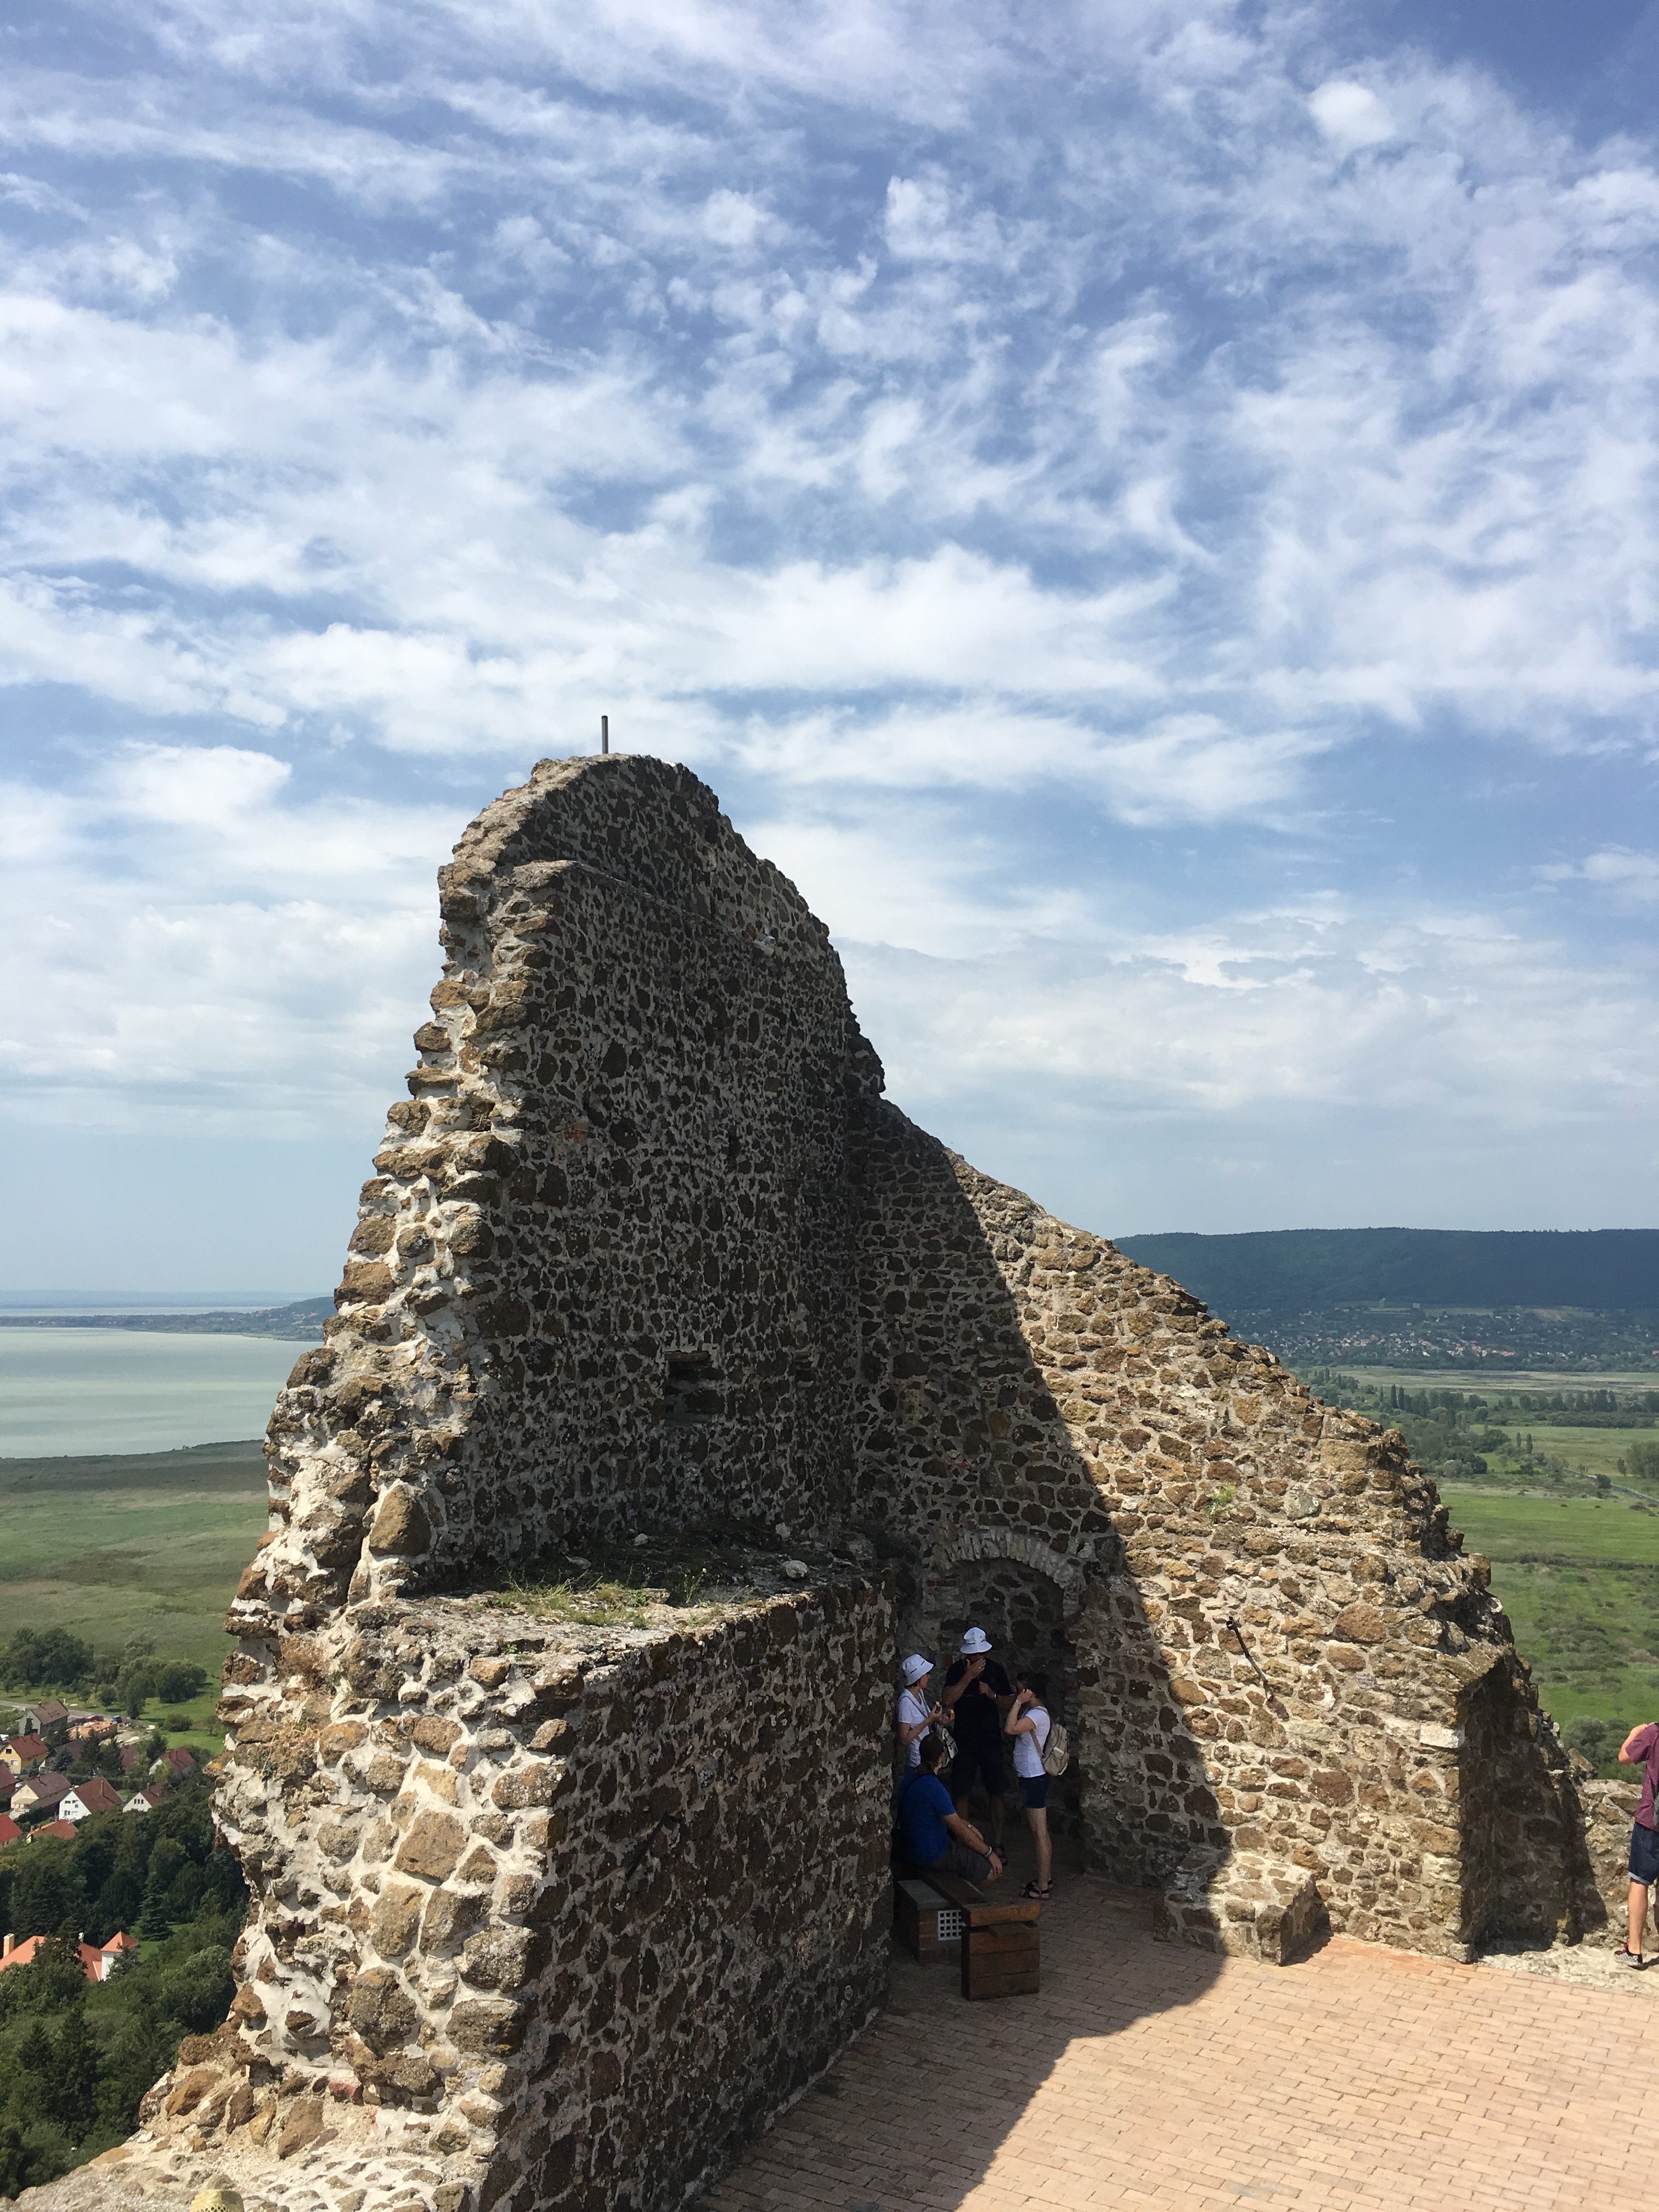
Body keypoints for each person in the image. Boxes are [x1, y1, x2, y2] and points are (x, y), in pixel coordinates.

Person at [940, 1626, 1015, 1850]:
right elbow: (948, 1699)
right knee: (961, 1791)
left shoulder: (996, 1671)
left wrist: (992, 1694)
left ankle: (998, 1842)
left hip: (990, 1739)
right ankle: (966, 1843)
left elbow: (1011, 1704)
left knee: (996, 1791)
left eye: (981, 1654)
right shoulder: (956, 1671)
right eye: (974, 1654)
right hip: (964, 1740)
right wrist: (968, 1677)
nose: (978, 1658)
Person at [896, 1734, 1004, 1884]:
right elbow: (957, 1827)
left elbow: (954, 1821)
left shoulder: (911, 1777)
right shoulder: (934, 1787)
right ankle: (965, 1898)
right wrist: (989, 1852)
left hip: (913, 1848)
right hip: (932, 1854)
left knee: (968, 1849)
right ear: (942, 1757)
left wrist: (969, 1826)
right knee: (991, 1871)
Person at [1005, 1668, 1054, 1900]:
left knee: (1039, 1832)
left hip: (1035, 1778)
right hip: (1029, 1776)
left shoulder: (1038, 1715)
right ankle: (1045, 1878)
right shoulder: (1032, 1712)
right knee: (1037, 1831)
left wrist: (1017, 1703)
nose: (1017, 1693)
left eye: (1020, 1689)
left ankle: (1043, 1887)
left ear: (1029, 1691)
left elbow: (1010, 1728)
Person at [1615, 1718, 1659, 1965]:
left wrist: (1634, 1733)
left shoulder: (1654, 1733)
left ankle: (1635, 1950)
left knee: (1640, 1881)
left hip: (1651, 1821)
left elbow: (1624, 1757)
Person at [895, 1654, 944, 1775]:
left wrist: (940, 1718)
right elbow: (904, 1739)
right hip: (916, 1763)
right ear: (918, 1678)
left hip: (927, 1761)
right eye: (926, 1674)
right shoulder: (906, 1702)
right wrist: (928, 1720)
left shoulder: (919, 1693)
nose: (929, 1677)